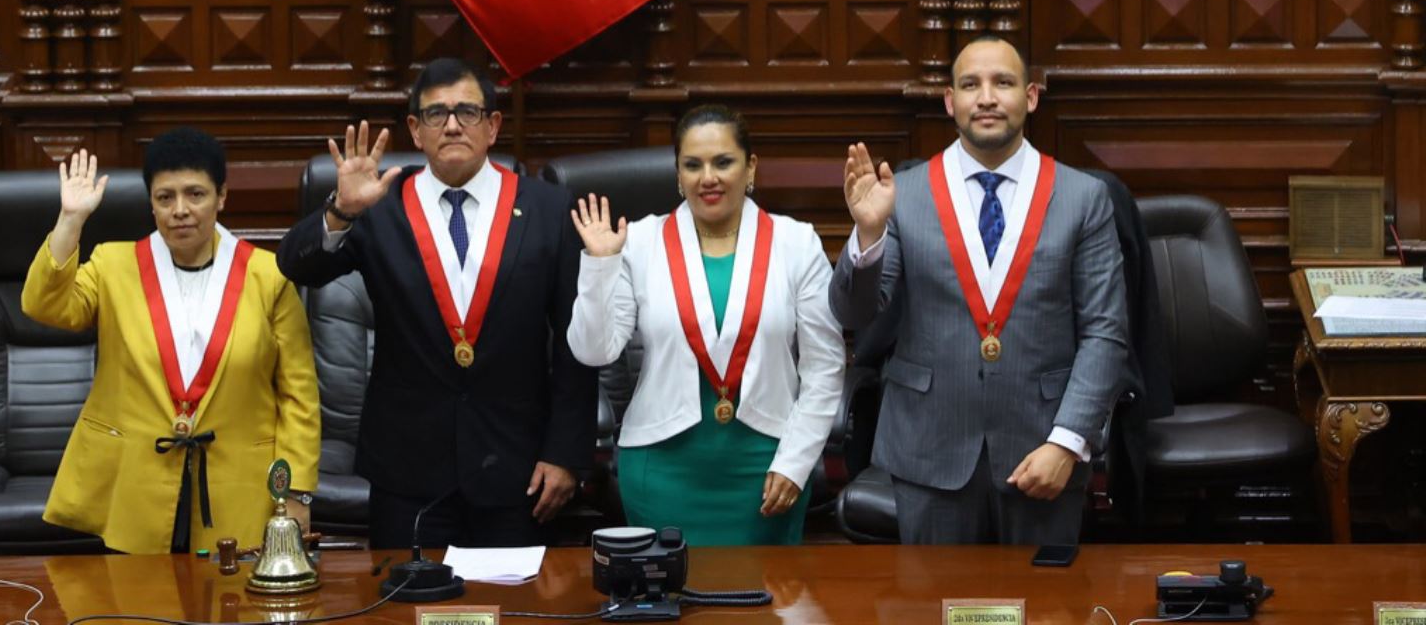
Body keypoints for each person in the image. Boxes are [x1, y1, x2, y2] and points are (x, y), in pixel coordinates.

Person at [276, 57, 598, 549]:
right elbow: (297, 267)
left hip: (520, 472)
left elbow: (577, 343)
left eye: (467, 112)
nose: (451, 125)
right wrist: (341, 211)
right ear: (415, 129)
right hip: (407, 472)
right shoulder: (378, 204)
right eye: (435, 114)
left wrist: (566, 454)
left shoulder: (547, 209)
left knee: (514, 613)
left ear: (493, 126)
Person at [831, 35, 1128, 545]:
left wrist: (1068, 442)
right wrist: (868, 235)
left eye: (1003, 83)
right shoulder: (904, 194)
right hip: (929, 450)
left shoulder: (1084, 197)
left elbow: (1106, 334)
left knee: (1046, 614)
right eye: (970, 85)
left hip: (1044, 450)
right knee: (934, 611)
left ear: (1031, 97)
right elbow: (854, 313)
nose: (986, 97)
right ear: (950, 102)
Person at [22, 128, 320, 554]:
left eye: (195, 194)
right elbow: (44, 305)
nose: (180, 210)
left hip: (239, 484)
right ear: (151, 203)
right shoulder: (113, 265)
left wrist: (296, 492)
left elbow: (299, 398)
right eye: (165, 198)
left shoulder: (269, 276)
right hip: (135, 484)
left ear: (221, 197)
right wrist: (71, 220)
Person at [566, 105, 845, 544]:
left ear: (750, 167)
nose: (707, 177)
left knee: (764, 607)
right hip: (661, 471)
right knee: (671, 602)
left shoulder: (796, 242)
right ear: (678, 175)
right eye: (692, 165)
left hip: (770, 470)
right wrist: (600, 266)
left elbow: (825, 368)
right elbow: (593, 351)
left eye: (723, 162)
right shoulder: (638, 242)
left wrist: (796, 463)